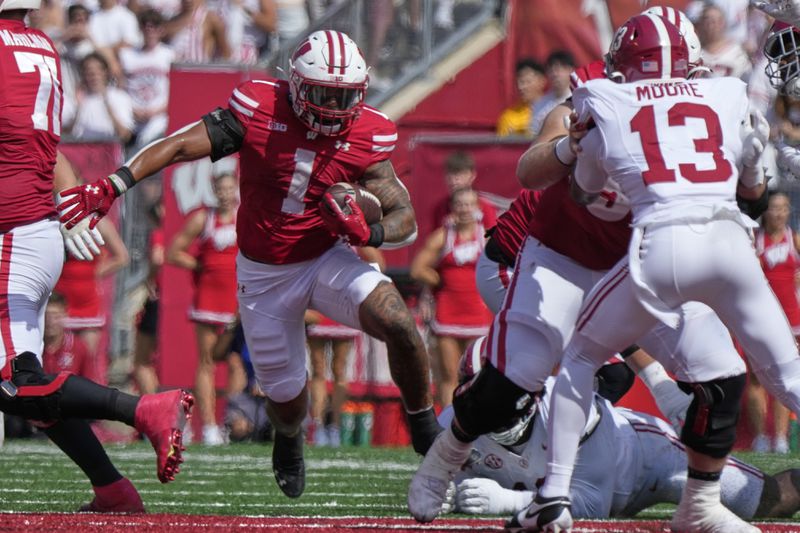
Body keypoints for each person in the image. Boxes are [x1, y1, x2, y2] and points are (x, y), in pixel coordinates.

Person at [406, 9, 789, 531]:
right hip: (565, 255)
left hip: (649, 258)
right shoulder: (596, 95)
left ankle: (694, 505)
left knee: (719, 374)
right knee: (517, 373)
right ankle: (447, 457)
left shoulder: (715, 98)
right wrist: (571, 146)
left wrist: (752, 165)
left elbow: (747, 201)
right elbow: (532, 169)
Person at [57, 29, 441, 499]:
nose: (335, 108)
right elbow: (179, 144)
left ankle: (424, 427)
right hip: (265, 273)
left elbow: (405, 217)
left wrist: (371, 233)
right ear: (296, 85)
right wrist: (113, 185)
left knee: (399, 321)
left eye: (345, 97)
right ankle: (288, 436)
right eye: (323, 94)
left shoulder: (369, 131)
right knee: (285, 396)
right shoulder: (260, 108)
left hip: (326, 257)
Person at [528, 13, 782, 533]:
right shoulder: (727, 94)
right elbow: (754, 189)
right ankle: (701, 502)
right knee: (776, 372)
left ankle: (552, 496)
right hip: (731, 243)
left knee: (580, 355)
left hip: (661, 247)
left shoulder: (606, 98)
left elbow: (583, 190)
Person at [0, 0, 193, 512]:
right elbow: (44, 148)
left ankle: (144, 408)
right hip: (33, 228)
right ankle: (112, 488)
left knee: (14, 385)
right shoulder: (41, 46)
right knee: (32, 384)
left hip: (12, 234)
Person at [440, 371, 800, 522]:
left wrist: (508, 501)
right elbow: (440, 469)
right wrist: (442, 487)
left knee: (764, 500)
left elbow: (596, 502)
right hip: (564, 483)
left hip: (645, 460)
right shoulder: (456, 419)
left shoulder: (570, 408)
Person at [167, 172, 238, 446]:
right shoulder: (203, 218)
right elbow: (174, 251)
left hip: (235, 299)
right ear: (213, 191)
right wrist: (200, 265)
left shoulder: (244, 218)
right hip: (208, 298)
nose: (226, 194)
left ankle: (231, 419)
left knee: (234, 362)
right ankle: (208, 426)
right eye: (221, 189)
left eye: (230, 188)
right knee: (206, 361)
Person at [411, 188, 492, 407]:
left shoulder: (487, 234)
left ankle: (476, 426)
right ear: (453, 208)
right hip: (448, 312)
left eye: (469, 204)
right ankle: (448, 424)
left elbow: (504, 267)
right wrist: (439, 280)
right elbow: (417, 269)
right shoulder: (443, 235)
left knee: (478, 372)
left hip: (478, 314)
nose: (464, 209)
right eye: (460, 204)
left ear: (477, 208)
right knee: (449, 374)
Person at [749, 191, 800, 453]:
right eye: (774, 208)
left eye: (783, 208)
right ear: (765, 211)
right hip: (760, 318)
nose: (779, 214)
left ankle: (780, 438)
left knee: (785, 375)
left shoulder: (795, 239)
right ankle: (760, 437)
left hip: (791, 319)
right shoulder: (754, 240)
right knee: (757, 378)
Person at [427, 151, 497, 239]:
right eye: (450, 173)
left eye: (460, 174)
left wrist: (470, 225)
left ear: (472, 175)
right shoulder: (440, 208)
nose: (454, 179)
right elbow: (433, 246)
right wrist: (447, 229)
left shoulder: (485, 207)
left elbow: (493, 242)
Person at [496, 59, 546, 138]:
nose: (521, 87)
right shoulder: (509, 117)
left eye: (527, 82)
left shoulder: (553, 108)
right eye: (519, 82)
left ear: (542, 81)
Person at [529, 50, 574, 136]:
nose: (555, 74)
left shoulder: (579, 99)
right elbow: (533, 132)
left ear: (571, 70)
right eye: (551, 69)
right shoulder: (540, 103)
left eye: (560, 69)